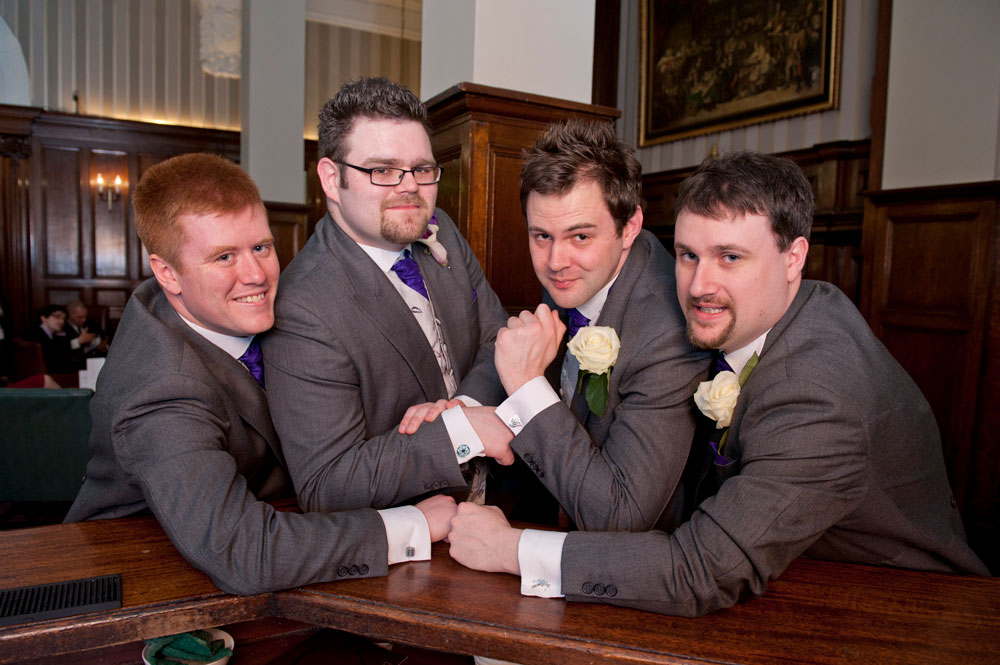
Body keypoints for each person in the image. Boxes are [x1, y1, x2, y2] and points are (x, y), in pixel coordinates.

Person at [447, 151, 988, 617]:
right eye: (688, 256)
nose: (699, 286)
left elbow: (699, 571)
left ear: (793, 257)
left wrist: (512, 550)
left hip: (894, 606)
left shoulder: (820, 397)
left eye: (731, 257)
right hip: (787, 573)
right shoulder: (778, 314)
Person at [65, 153, 457, 595]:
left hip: (279, 531)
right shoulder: (158, 390)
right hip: (147, 577)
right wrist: (412, 526)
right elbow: (243, 552)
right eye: (224, 257)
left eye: (261, 247)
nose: (256, 275)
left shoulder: (243, 309)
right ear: (167, 273)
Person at [262, 77, 513, 515]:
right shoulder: (303, 306)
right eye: (382, 170)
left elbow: (497, 340)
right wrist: (456, 432)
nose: (410, 186)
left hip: (509, 495)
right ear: (330, 177)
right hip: (418, 533)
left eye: (422, 168)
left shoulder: (444, 231)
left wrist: (465, 406)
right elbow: (327, 484)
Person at [462, 119, 709, 531]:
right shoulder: (586, 269)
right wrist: (464, 407)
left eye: (579, 237)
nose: (556, 262)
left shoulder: (668, 333)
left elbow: (621, 516)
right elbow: (522, 336)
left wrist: (526, 385)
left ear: (629, 226)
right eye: (541, 236)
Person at [24, 305, 76, 374]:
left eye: (64, 318)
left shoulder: (54, 335)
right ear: (43, 318)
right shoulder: (35, 334)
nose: (61, 321)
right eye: (57, 317)